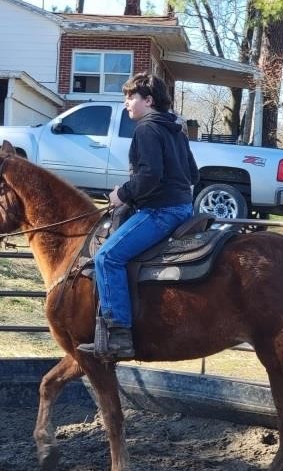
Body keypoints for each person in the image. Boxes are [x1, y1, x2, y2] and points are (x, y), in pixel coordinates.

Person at [78, 73, 199, 360]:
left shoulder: (147, 129)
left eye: (131, 97)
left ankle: (118, 333)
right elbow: (193, 174)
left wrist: (123, 194)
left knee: (108, 257)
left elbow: (150, 176)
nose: (125, 104)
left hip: (161, 210)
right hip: (183, 207)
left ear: (149, 100)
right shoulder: (175, 130)